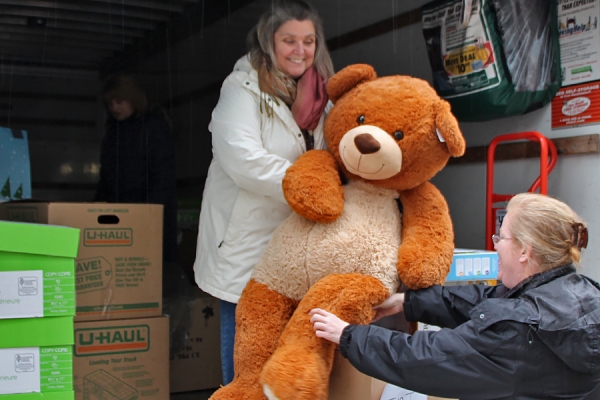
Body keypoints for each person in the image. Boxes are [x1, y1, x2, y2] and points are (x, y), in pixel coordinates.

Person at [310, 192, 600, 399]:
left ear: (525, 251)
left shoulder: (519, 330)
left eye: (502, 238)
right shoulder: (583, 293)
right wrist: (407, 303)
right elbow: (488, 300)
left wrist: (348, 336)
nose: (495, 245)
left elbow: (429, 358)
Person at [193, 0, 334, 385]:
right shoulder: (242, 88)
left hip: (295, 243)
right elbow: (243, 160)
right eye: (289, 40)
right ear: (268, 41)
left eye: (308, 40)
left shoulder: (322, 95)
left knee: (289, 357)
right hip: (245, 242)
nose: (300, 51)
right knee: (246, 360)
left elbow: (336, 153)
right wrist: (308, 185)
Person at [95, 74, 179, 297]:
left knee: (148, 273)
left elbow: (163, 177)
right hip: (119, 216)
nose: (114, 107)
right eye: (110, 103)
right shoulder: (112, 132)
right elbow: (106, 178)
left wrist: (148, 213)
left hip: (148, 216)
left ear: (132, 99)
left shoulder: (153, 128)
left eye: (119, 101)